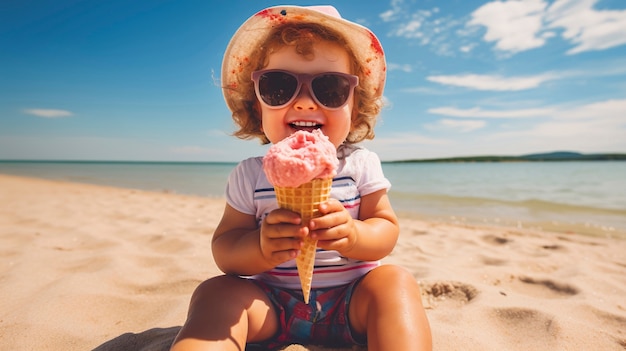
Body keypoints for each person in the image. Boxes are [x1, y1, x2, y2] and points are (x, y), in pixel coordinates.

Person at [171, 5, 432, 351]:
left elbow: (386, 229)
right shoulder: (250, 174)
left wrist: (355, 234)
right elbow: (226, 249)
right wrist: (260, 247)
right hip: (272, 306)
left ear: (354, 109)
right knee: (216, 291)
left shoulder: (361, 165)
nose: (306, 103)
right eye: (279, 87)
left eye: (331, 88)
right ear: (256, 106)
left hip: (352, 301)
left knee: (394, 282)